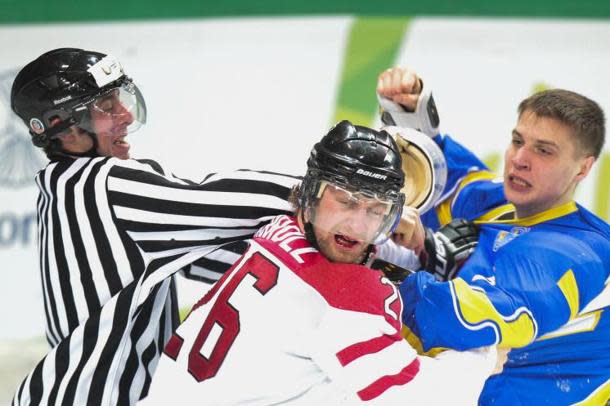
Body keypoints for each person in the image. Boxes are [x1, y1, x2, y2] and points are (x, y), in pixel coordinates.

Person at [10, 48, 300, 405]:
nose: (126, 115)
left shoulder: (64, 189)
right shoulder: (105, 184)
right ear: (64, 128)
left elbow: (227, 261)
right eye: (106, 106)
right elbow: (228, 200)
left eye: (121, 98)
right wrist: (333, 191)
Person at [141, 120, 504, 405]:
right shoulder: (343, 301)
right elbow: (425, 399)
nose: (358, 225)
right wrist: (483, 347)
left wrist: (425, 249)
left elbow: (350, 258)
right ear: (310, 193)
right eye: (345, 200)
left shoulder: (280, 229)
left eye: (377, 210)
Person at [377, 67, 610, 405]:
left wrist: (381, 277)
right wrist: (410, 111)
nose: (519, 159)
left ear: (583, 168)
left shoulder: (579, 251)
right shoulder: (501, 203)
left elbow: (487, 316)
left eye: (544, 151)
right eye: (518, 141)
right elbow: (444, 179)